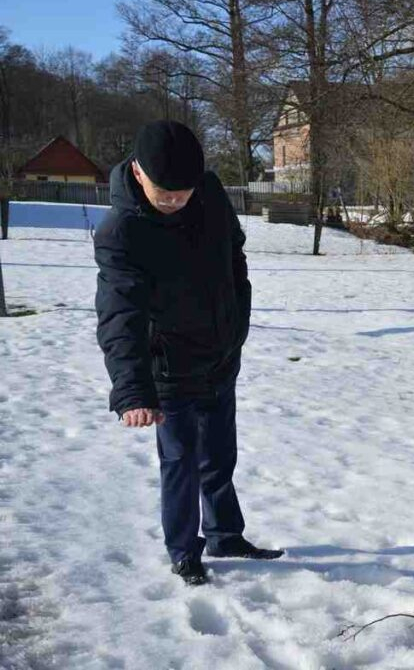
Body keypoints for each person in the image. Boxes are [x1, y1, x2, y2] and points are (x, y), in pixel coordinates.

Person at [94, 120, 282, 587]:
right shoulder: (121, 231)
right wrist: (134, 389)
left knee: (219, 455)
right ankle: (183, 550)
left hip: (219, 355)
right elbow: (120, 316)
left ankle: (224, 534)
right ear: (139, 173)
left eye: (185, 191)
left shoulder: (211, 194)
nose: (177, 199)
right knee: (180, 461)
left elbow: (234, 256)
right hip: (167, 368)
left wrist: (236, 325)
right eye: (166, 192)